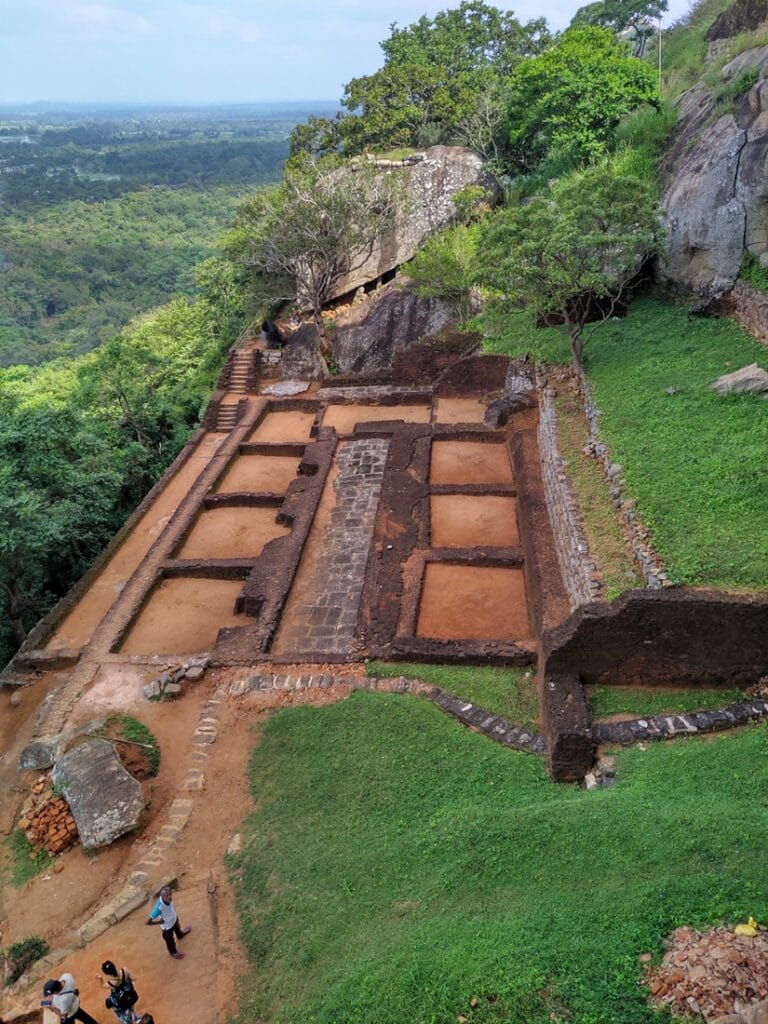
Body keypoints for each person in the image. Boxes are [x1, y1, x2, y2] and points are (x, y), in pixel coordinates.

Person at [145, 884, 191, 959]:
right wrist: (160, 922)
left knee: (178, 929)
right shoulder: (159, 908)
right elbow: (147, 922)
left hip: (174, 920)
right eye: (167, 895)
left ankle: (180, 935)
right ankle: (173, 952)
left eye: (170, 894)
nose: (169, 897)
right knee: (170, 941)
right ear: (162, 896)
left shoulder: (169, 900)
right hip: (167, 927)